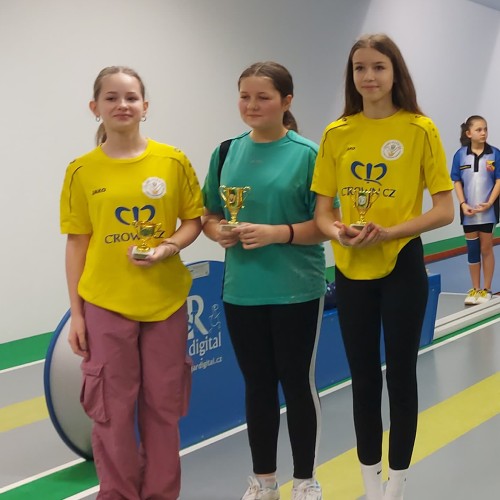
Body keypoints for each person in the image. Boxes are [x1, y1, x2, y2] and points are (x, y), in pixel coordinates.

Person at [311, 34, 454, 500]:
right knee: (364, 377)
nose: (368, 76)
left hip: (401, 265)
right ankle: (370, 481)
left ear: (395, 73)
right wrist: (338, 233)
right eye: (360, 68)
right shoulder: (336, 133)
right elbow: (323, 212)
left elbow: (444, 210)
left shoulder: (419, 129)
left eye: (378, 67)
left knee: (401, 374)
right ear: (351, 76)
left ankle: (397, 482)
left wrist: (391, 232)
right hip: (351, 268)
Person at [60, 66, 203, 500]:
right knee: (111, 411)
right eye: (111, 97)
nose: (122, 105)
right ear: (95, 107)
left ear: (145, 106)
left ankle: (161, 494)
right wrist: (78, 314)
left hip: (165, 301)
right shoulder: (81, 171)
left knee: (163, 407)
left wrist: (168, 247)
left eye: (131, 97)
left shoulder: (172, 161)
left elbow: (193, 221)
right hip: (106, 304)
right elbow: (77, 244)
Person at [202, 61, 336, 500]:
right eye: (245, 96)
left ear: (286, 101)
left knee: (297, 383)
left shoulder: (309, 154)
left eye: (263, 97)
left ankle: (306, 480)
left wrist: (278, 233)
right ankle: (264, 482)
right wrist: (218, 232)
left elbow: (326, 224)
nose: (252, 105)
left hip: (297, 288)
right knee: (257, 385)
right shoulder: (225, 153)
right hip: (242, 291)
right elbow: (209, 213)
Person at [450, 115, 500, 305]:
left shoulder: (495, 154)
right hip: (468, 213)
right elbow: (456, 181)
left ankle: (487, 289)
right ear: (469, 133)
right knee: (472, 250)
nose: (483, 133)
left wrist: (489, 202)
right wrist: (463, 203)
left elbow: (499, 181)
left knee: (486, 248)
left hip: (488, 212)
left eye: (485, 129)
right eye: (479, 129)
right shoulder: (460, 155)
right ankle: (475, 289)